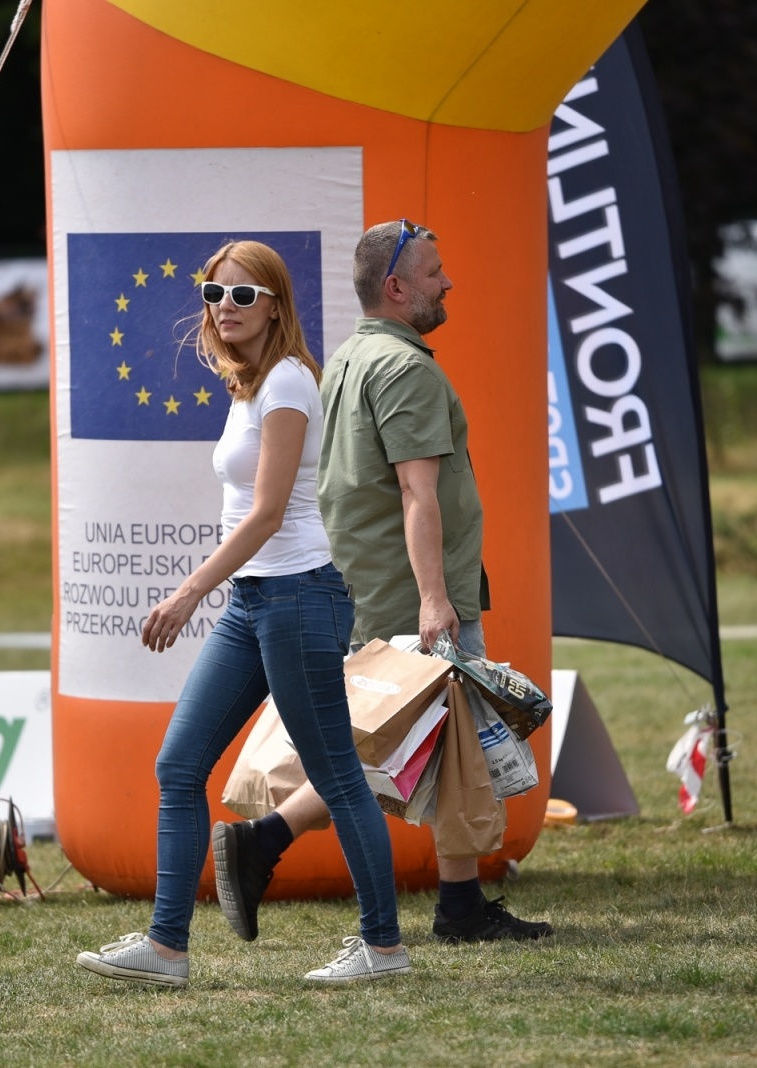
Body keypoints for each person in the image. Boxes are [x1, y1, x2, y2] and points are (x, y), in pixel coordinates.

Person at [75, 240, 409, 987]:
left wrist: (187, 591)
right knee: (180, 765)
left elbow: (265, 515)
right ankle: (167, 950)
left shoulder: (288, 381)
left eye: (243, 294)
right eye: (213, 293)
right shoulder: (250, 384)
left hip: (300, 597)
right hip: (254, 601)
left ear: (276, 305)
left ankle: (383, 948)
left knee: (335, 774)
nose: (225, 306)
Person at [212, 220, 554, 946]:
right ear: (396, 288)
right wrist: (435, 598)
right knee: (406, 749)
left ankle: (449, 900)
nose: (447, 282)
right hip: (412, 590)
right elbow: (416, 491)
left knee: (414, 745)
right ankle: (274, 843)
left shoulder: (348, 358)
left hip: (366, 582)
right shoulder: (406, 370)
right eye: (434, 273)